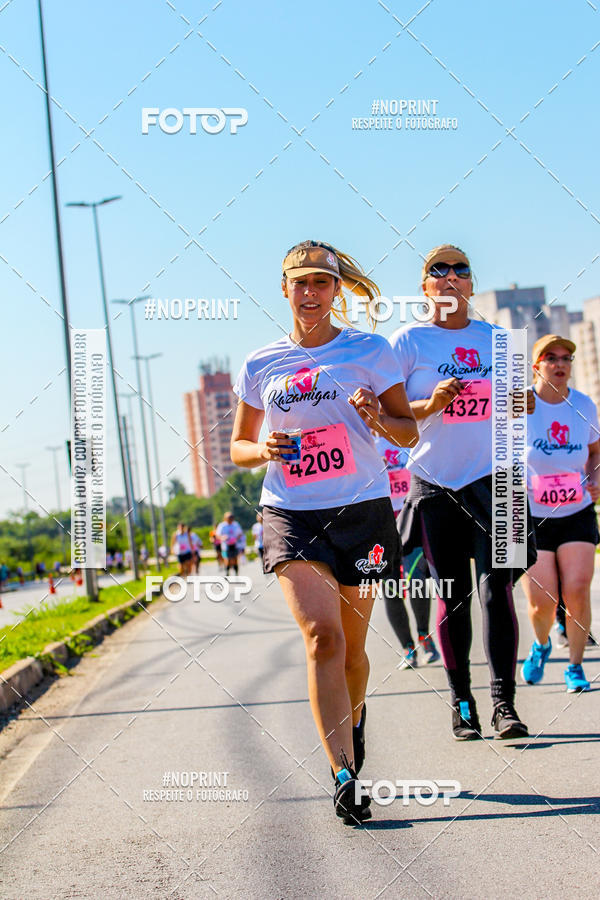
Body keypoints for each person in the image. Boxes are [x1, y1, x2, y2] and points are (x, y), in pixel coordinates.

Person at [230, 239, 417, 823]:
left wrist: (376, 419)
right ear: (284, 289)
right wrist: (262, 449)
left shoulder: (371, 350)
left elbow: (407, 433)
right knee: (322, 639)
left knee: (355, 652)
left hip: (361, 510)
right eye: (300, 283)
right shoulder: (261, 362)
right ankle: (342, 773)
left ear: (337, 291)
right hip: (290, 511)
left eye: (322, 283)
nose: (310, 292)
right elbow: (237, 447)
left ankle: (354, 722)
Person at [390, 244, 537, 741]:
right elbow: (391, 416)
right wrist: (430, 401)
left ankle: (504, 704)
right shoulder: (407, 342)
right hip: (436, 484)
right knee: (451, 595)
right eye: (438, 270)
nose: (450, 276)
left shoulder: (503, 341)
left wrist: (526, 399)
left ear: (471, 284)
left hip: (501, 481)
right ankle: (462, 702)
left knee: (499, 592)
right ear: (425, 287)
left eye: (461, 269)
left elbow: (522, 410)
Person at [521, 335, 600, 692]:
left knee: (578, 590)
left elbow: (596, 452)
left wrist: (596, 478)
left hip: (576, 510)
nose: (560, 364)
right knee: (543, 603)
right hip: (530, 515)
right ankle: (540, 645)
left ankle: (575, 667)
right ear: (536, 365)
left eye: (566, 357)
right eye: (551, 357)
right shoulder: (518, 404)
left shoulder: (583, 405)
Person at [373, 433, 440, 668]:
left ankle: (424, 636)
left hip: (411, 516)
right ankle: (407, 648)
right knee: (391, 588)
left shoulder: (408, 431)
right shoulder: (363, 439)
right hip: (380, 522)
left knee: (417, 579)